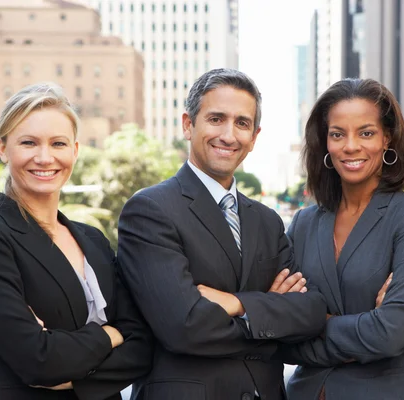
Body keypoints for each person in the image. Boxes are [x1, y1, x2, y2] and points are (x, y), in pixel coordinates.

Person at [117, 68, 327, 400]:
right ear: (189, 125)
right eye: (216, 119)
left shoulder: (267, 221)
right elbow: (184, 328)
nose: (229, 135)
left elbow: (312, 311)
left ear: (254, 137)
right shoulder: (150, 210)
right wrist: (271, 314)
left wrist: (235, 303)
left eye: (242, 123)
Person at [0, 83, 153, 400]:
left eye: (58, 143)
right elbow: (39, 361)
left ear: (75, 151)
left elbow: (143, 345)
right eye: (28, 142)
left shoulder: (93, 238)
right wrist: (112, 333)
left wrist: (72, 369)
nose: (44, 157)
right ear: (2, 148)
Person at [281, 78, 404, 399]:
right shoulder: (303, 223)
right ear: (324, 142)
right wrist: (364, 325)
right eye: (337, 134)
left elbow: (389, 334)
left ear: (387, 139)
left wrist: (310, 325)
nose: (350, 146)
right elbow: (275, 334)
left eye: (366, 133)